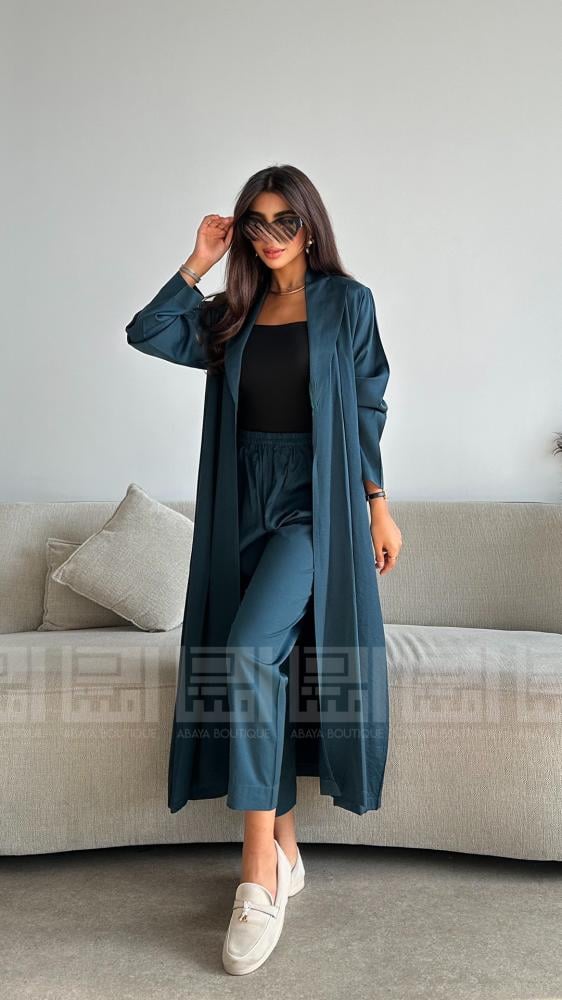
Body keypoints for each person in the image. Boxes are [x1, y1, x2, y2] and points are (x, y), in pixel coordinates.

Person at [126, 163, 402, 975]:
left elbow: (368, 404)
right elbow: (147, 330)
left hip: (313, 504)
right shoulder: (232, 311)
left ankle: (257, 875)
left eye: (287, 221)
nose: (272, 235)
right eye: (258, 222)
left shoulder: (347, 303)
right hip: (239, 500)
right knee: (256, 663)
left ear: (311, 227)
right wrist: (198, 261)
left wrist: (377, 503)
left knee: (247, 651)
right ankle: (286, 845)